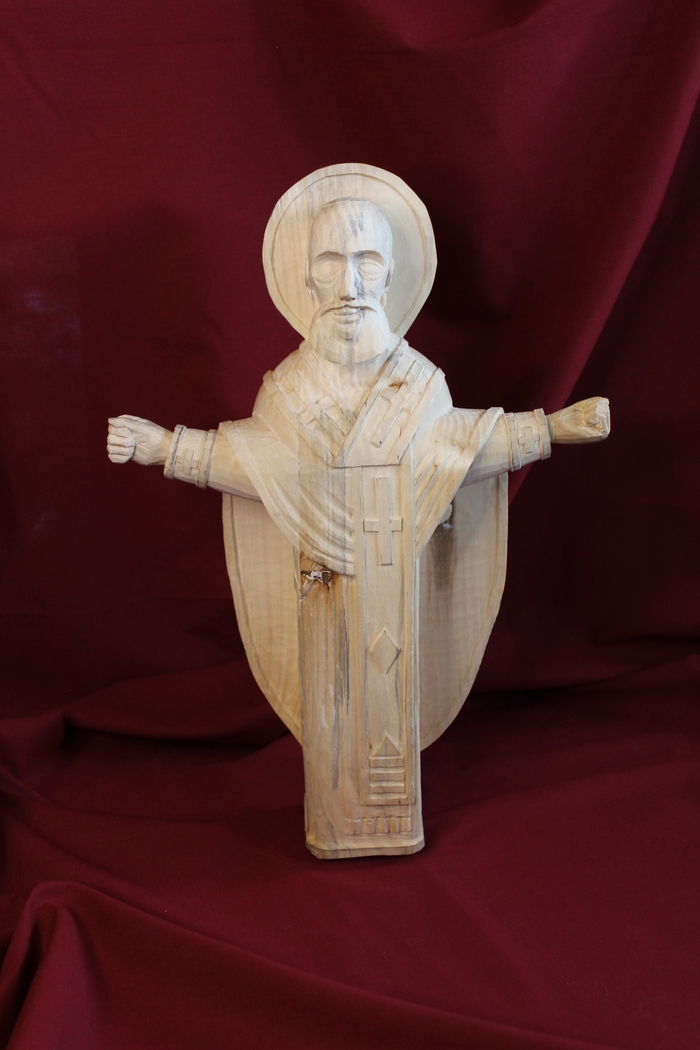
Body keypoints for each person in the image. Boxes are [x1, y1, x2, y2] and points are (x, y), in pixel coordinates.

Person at [108, 170, 609, 859]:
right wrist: (167, 447)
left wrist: (549, 430)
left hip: (393, 583)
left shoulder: (420, 385)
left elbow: (455, 448)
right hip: (320, 588)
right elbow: (259, 461)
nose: (348, 283)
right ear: (305, 278)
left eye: (366, 261)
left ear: (392, 275)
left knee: (387, 717)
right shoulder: (286, 389)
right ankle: (337, 820)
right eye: (329, 262)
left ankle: (389, 819)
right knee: (332, 715)